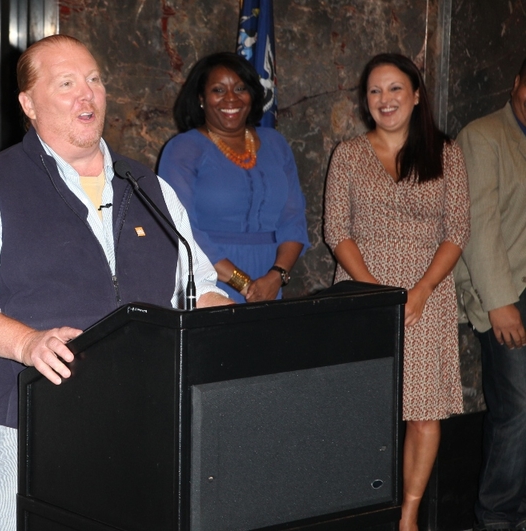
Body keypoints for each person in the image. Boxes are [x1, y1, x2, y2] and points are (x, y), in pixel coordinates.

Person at [0, 35, 231, 530]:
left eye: (93, 80)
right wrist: (28, 342)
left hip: (139, 419)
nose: (86, 94)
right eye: (66, 83)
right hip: (21, 422)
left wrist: (230, 319)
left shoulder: (149, 188)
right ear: (28, 103)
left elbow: (197, 285)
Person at [323, 53, 470, 531]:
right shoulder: (347, 154)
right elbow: (335, 230)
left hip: (426, 298)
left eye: (394, 89)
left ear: (416, 94)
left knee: (423, 416)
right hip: (363, 296)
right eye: (374, 91)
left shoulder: (445, 153)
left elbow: (457, 230)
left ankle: (407, 518)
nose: (385, 100)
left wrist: (421, 290)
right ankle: (357, 512)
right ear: (366, 101)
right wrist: (374, 292)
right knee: (362, 413)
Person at [157, 52, 309, 302]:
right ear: (201, 99)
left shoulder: (276, 143)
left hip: (270, 282)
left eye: (240, 88)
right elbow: (181, 229)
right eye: (218, 90)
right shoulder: (183, 149)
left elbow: (293, 220)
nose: (231, 98)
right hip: (209, 281)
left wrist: (276, 277)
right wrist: (246, 285)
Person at [454, 58, 526, 531]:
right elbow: (478, 228)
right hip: (507, 294)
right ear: (518, 84)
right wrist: (500, 304)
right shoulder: (482, 136)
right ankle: (498, 518)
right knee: (517, 410)